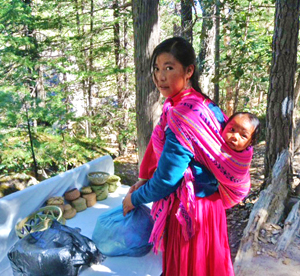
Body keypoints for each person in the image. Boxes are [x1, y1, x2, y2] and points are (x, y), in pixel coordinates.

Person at [122, 37, 259, 276]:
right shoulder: (204, 105)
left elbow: (167, 179)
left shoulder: (184, 114)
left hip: (191, 211)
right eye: (156, 68)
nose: (160, 76)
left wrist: (134, 199)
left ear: (189, 71)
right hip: (210, 208)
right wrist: (144, 180)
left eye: (169, 68)